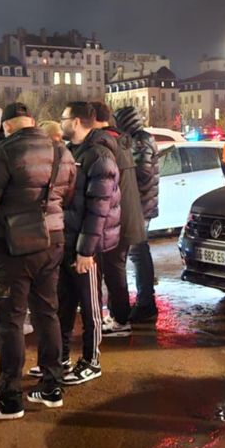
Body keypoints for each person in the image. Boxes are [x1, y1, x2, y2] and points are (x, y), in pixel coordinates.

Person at [0, 102, 75, 419]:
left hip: (13, 248)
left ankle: (10, 396)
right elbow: (66, 195)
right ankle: (52, 386)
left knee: (9, 321)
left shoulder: (3, 151)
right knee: (47, 312)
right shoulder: (60, 151)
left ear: (8, 126)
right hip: (53, 241)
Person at [57, 101, 121, 386]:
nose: (61, 122)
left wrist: (85, 251)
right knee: (65, 303)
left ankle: (91, 361)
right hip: (67, 241)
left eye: (65, 117)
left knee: (90, 305)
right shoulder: (73, 151)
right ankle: (60, 358)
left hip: (86, 247)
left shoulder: (99, 156)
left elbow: (99, 208)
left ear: (78, 121)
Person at [90, 102, 145, 337]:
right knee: (116, 268)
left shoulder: (102, 144)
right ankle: (118, 316)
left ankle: (121, 319)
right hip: (128, 215)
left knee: (113, 270)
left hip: (115, 218)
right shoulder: (121, 140)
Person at [114, 106, 161, 323]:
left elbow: (142, 173)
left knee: (138, 252)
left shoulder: (139, 141)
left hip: (139, 205)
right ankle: (144, 300)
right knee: (137, 252)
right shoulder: (138, 139)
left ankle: (146, 303)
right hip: (141, 203)